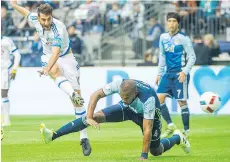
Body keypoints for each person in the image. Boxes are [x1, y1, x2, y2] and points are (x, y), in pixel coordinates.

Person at [10, 1, 91, 155]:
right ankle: (71, 93)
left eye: (48, 19)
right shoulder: (35, 19)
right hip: (48, 56)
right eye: (43, 20)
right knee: (55, 71)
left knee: (78, 104)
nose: (46, 22)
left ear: (52, 16)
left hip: (66, 58)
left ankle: (83, 138)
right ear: (39, 18)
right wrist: (14, 6)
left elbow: (56, 53)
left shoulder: (58, 28)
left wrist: (46, 68)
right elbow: (26, 13)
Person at [40, 79, 190, 160]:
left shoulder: (148, 99)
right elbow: (96, 95)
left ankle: (178, 138)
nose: (122, 99)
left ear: (135, 93)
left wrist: (143, 156)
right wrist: (90, 117)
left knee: (156, 151)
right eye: (121, 96)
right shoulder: (120, 85)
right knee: (91, 117)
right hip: (128, 110)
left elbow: (148, 129)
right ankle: (53, 135)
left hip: (148, 116)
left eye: (126, 97)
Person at [155, 12, 196, 139]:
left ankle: (186, 131)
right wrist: (159, 73)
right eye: (169, 21)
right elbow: (162, 55)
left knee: (181, 102)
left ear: (178, 23)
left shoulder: (184, 39)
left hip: (179, 73)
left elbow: (192, 57)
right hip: (167, 74)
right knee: (159, 100)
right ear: (166, 22)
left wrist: (185, 72)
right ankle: (170, 125)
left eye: (174, 21)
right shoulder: (163, 37)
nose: (171, 23)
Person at [1, 36, 21, 127]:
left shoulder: (6, 41)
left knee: (3, 94)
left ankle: (6, 120)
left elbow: (17, 54)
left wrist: (14, 69)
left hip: (4, 71)